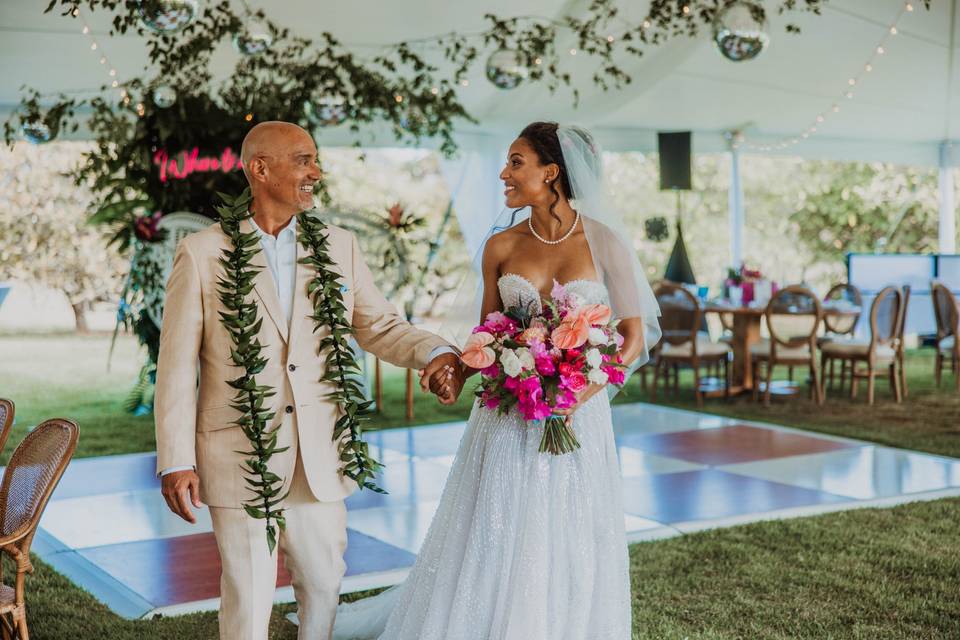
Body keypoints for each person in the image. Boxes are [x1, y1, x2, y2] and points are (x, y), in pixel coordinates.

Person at [328, 121, 661, 640]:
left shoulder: (605, 242)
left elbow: (633, 337)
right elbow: (485, 333)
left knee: (569, 526)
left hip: (580, 410)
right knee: (494, 522)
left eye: (516, 162)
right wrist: (455, 373)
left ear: (551, 172)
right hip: (507, 410)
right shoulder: (500, 245)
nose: (503, 173)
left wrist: (575, 394)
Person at [154, 121, 464, 640]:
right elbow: (178, 364)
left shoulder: (339, 246)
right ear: (260, 169)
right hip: (239, 452)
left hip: (321, 453)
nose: (315, 171)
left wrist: (435, 350)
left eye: (314, 160)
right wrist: (177, 459)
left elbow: (379, 325)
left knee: (324, 586)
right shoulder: (202, 253)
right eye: (302, 160)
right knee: (249, 596)